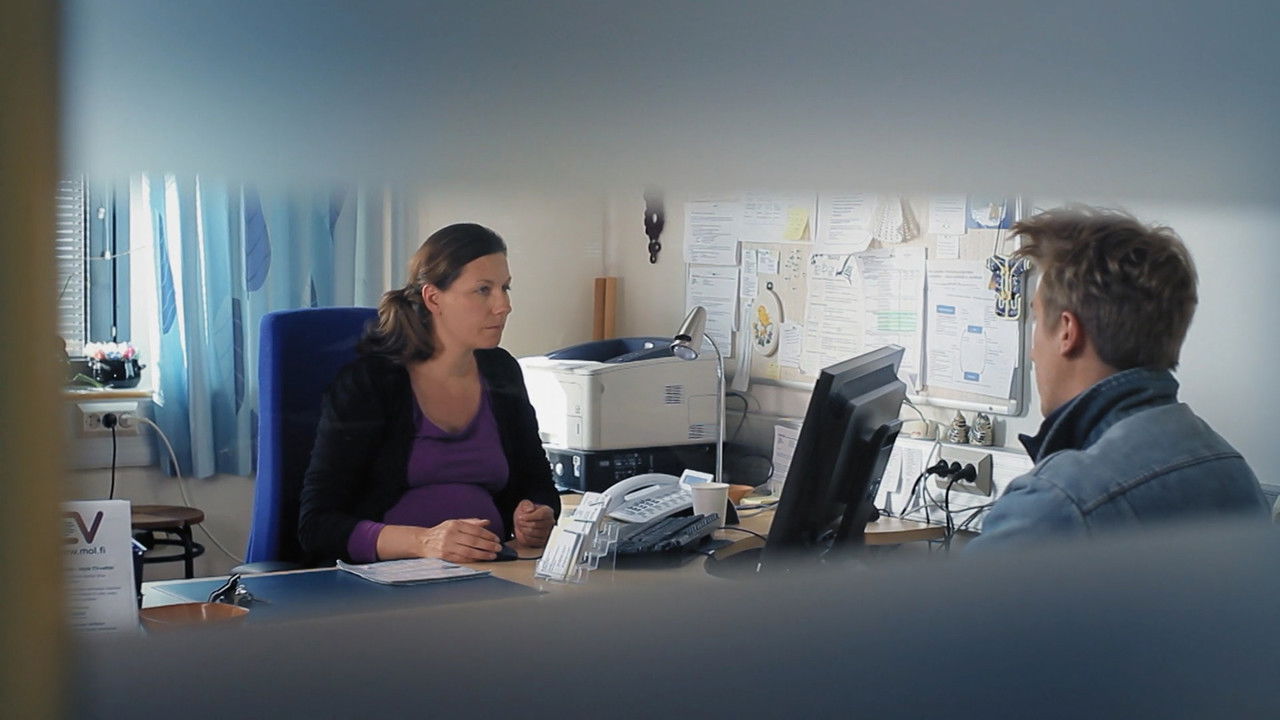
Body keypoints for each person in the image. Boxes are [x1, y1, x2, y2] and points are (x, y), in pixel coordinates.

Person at [966, 206, 1267, 550]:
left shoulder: (1056, 504)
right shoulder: (1234, 472)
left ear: (1067, 332)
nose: (1033, 353)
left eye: (1036, 320)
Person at [298, 223, 560, 565]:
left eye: (505, 288)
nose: (503, 305)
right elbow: (316, 526)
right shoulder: (371, 383)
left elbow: (538, 484)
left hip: (489, 572)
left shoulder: (501, 371)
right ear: (433, 298)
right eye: (483, 290)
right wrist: (424, 542)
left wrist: (537, 515)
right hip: (387, 580)